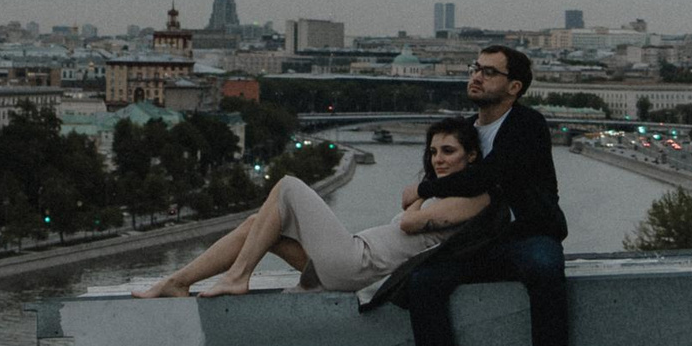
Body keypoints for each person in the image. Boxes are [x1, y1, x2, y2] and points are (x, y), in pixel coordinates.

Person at [378, 44, 575, 346]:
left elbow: (488, 175)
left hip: (529, 234)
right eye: (475, 68)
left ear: (514, 87)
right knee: (423, 284)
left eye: (489, 72)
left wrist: (424, 188)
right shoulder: (467, 131)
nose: (476, 76)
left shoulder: (527, 125)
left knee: (544, 271)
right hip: (483, 241)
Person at [134, 119, 495, 303]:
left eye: (448, 151)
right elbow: (407, 207)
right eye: (434, 152)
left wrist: (426, 186)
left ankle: (237, 277)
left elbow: (409, 218)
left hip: (356, 266)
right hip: (349, 261)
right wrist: (432, 183)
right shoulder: (452, 191)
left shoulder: (476, 198)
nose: (438, 159)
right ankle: (177, 282)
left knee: (288, 185)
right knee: (257, 223)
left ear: (472, 156)